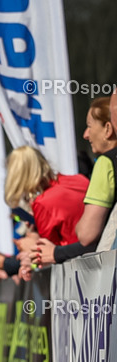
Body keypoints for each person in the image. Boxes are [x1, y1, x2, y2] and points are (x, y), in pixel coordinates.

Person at [0, 146, 88, 276]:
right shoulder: (79, 180)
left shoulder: (43, 203)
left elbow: (47, 254)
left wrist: (13, 259)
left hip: (81, 270)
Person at [34, 97, 116, 266]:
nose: (86, 134)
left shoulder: (105, 163)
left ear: (108, 129)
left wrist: (57, 251)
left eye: (90, 126)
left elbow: (86, 235)